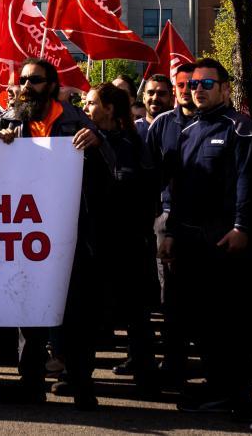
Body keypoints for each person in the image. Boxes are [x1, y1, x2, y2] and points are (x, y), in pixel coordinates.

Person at [0, 58, 113, 411]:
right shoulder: (8, 122)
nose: (28, 85)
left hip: (71, 235)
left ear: (53, 84)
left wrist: (97, 143)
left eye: (36, 80)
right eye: (24, 79)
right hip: (25, 236)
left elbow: (112, 169)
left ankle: (81, 383)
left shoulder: (77, 122)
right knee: (28, 313)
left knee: (76, 313)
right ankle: (31, 384)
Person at [159, 59, 252, 415]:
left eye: (206, 84)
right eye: (192, 85)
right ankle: (215, 387)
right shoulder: (188, 130)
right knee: (202, 322)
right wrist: (171, 233)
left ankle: (237, 394)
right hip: (190, 242)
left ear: (225, 88)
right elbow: (179, 188)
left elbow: (247, 183)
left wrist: (242, 227)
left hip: (225, 242)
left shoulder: (241, 128)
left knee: (230, 322)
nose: (196, 90)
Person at [82, 83, 160, 396]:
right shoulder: (83, 139)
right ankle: (81, 377)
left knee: (135, 312)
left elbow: (126, 179)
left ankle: (146, 374)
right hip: (92, 241)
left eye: (91, 103)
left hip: (127, 242)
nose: (87, 108)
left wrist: (101, 145)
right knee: (88, 312)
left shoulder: (132, 142)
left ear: (110, 109)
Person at [144, 62, 197, 384]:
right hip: (166, 218)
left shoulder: (223, 124)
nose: (190, 91)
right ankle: (173, 362)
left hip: (206, 223)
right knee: (171, 296)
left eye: (198, 85)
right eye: (183, 85)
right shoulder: (162, 125)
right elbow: (149, 174)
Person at [136, 73, 174, 142]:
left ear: (172, 99)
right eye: (150, 93)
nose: (155, 98)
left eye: (161, 94)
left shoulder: (179, 130)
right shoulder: (132, 130)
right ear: (144, 98)